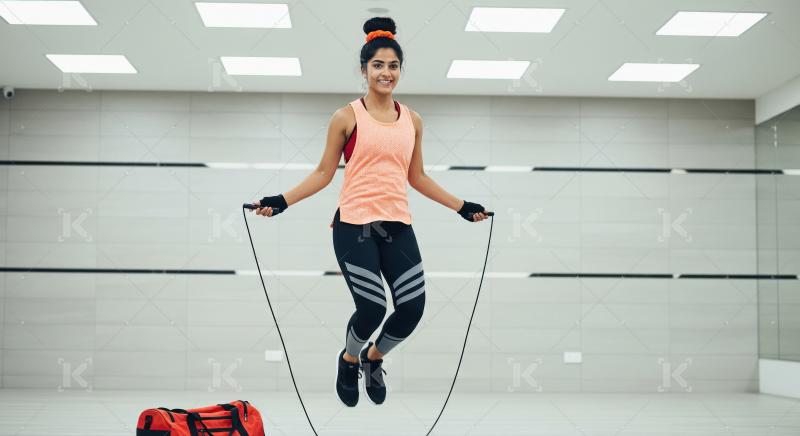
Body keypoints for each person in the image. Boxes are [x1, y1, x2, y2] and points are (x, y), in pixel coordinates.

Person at [250, 17, 489, 407]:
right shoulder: (347, 117)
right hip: (354, 226)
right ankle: (348, 360)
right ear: (364, 70)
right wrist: (282, 201)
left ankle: (373, 359)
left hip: (397, 226)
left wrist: (462, 207)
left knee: (412, 309)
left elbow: (419, 177)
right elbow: (324, 173)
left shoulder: (412, 120)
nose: (386, 72)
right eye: (377, 65)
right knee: (373, 307)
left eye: (393, 66)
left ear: (400, 71)